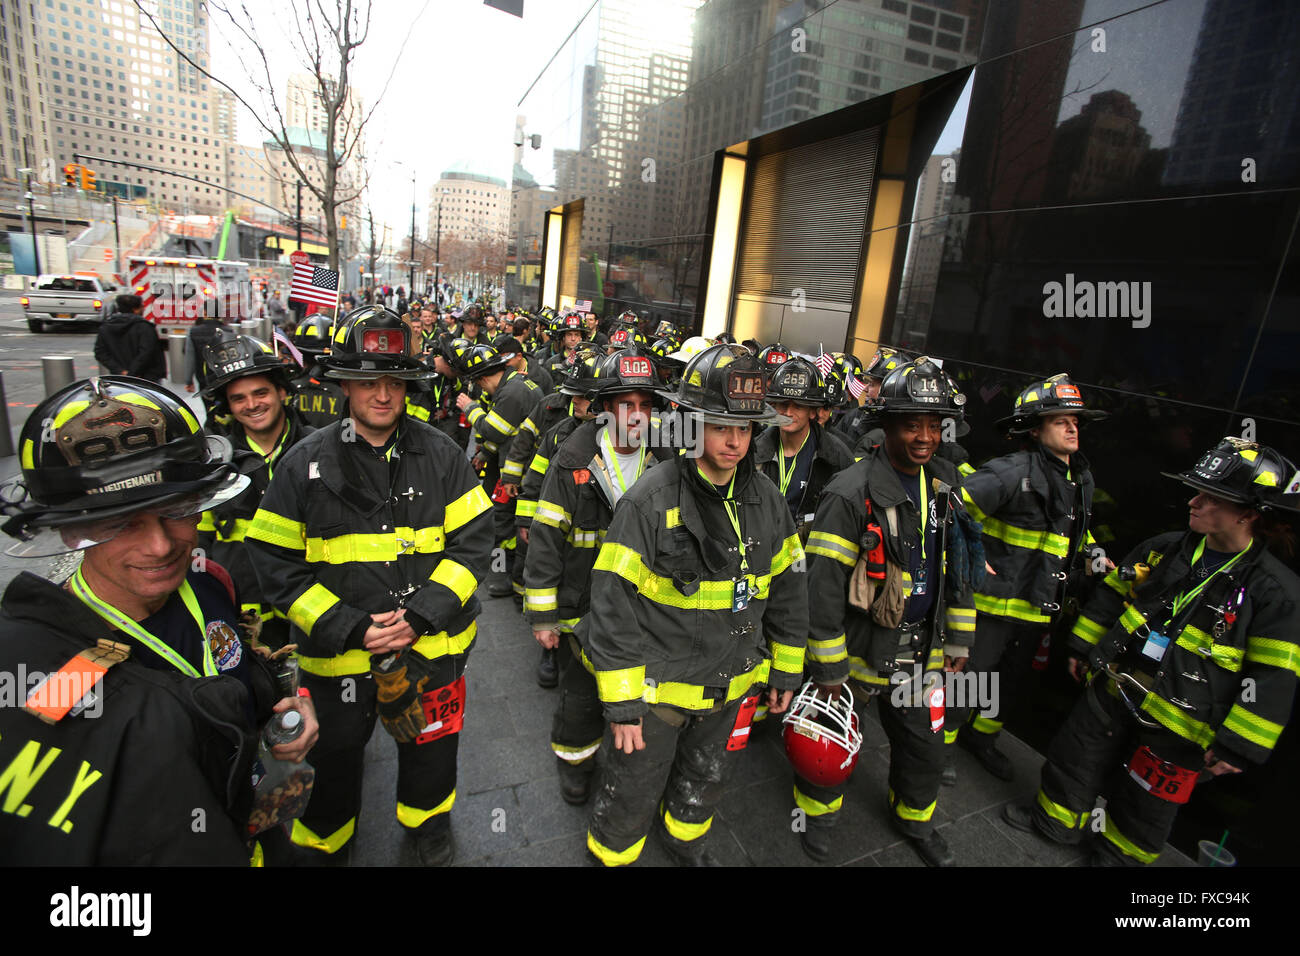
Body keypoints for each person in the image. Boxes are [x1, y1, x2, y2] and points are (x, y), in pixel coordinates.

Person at [0, 376, 318, 864]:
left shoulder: (211, 583)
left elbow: (237, 663)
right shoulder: (54, 668)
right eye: (120, 522)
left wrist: (290, 703)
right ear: (69, 531)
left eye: (175, 510)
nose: (161, 545)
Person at [245, 305, 494, 866]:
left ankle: (426, 824)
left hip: (432, 648)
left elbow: (475, 544)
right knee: (332, 756)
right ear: (345, 386)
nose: (382, 395)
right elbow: (274, 561)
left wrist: (422, 614)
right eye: (367, 382)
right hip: (339, 660)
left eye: (394, 381)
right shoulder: (303, 464)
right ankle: (328, 841)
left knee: (431, 743)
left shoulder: (444, 456)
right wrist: (350, 627)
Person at [1003, 437, 1300, 865]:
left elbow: (1274, 677)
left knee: (1149, 802)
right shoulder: (1166, 547)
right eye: (1197, 491)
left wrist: (1239, 746)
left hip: (1181, 724)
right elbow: (1111, 593)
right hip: (1115, 686)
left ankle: (1118, 857)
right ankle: (1055, 822)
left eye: (1210, 496)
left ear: (1249, 513)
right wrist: (1083, 647)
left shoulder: (1274, 594)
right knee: (1075, 757)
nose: (1194, 501)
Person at [582, 343, 808, 866]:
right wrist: (621, 706)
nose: (734, 442)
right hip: (656, 696)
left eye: (745, 430)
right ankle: (611, 855)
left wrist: (785, 673)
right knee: (631, 788)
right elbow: (612, 603)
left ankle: (685, 843)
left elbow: (789, 590)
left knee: (705, 780)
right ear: (690, 423)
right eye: (720, 426)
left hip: (731, 687)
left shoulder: (768, 501)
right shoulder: (649, 499)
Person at [799, 356, 979, 867]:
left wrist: (959, 642)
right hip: (858, 653)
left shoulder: (945, 487)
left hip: (922, 650)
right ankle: (817, 815)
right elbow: (823, 590)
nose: (924, 436)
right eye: (911, 424)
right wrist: (829, 667)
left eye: (931, 425)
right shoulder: (850, 492)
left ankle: (914, 820)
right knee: (828, 742)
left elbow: (959, 570)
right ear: (887, 427)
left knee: (926, 745)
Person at [524, 349, 674, 799]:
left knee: (637, 689)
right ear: (604, 408)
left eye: (646, 405)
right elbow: (547, 536)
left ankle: (629, 762)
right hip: (582, 607)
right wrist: (544, 616)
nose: (638, 415)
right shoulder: (572, 461)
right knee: (580, 697)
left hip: (643, 610)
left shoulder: (668, 460)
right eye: (627, 404)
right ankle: (576, 761)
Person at [946, 374, 1107, 783]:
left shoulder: (1080, 477)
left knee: (1009, 683)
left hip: (1038, 609)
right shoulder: (1010, 471)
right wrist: (969, 552)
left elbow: (1070, 530)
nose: (1072, 428)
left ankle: (981, 740)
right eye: (1060, 421)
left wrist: (1091, 554)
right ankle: (940, 747)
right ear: (1035, 429)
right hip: (992, 608)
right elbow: (951, 510)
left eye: (1075, 421)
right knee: (971, 676)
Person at [196, 330, 315, 652]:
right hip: (243, 615)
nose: (251, 405)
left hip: (311, 609)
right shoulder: (216, 462)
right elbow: (200, 539)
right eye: (239, 398)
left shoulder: (319, 449)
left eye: (260, 393)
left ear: (281, 392)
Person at [456, 342, 545, 599]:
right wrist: (486, 452)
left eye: (480, 383)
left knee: (506, 520)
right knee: (505, 519)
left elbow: (492, 429)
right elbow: (508, 431)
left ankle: (505, 576)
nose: (482, 388)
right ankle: (506, 573)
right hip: (516, 467)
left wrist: (470, 408)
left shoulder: (511, 393)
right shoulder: (516, 383)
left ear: (483, 378)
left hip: (518, 473)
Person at [755, 356, 854, 542]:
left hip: (808, 558)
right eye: (783, 404)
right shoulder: (754, 452)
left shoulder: (836, 457)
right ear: (773, 405)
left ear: (812, 411)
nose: (788, 413)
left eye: (799, 406)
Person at [93, 293, 166, 383]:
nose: (143, 309)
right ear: (135, 309)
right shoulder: (145, 327)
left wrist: (119, 371)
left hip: (119, 378)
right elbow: (146, 353)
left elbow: (100, 353)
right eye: (142, 306)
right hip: (147, 378)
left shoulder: (106, 327)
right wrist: (132, 373)